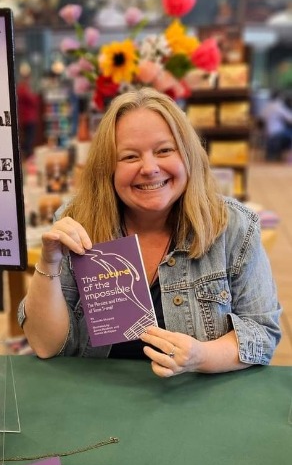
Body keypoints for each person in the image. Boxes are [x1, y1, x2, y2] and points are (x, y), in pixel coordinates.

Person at [18, 87, 281, 377]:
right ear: (107, 169)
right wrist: (49, 262)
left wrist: (201, 356)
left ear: (188, 155)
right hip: (96, 402)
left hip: (195, 402)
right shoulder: (78, 221)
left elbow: (262, 333)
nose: (150, 168)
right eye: (130, 157)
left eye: (164, 150)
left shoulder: (233, 226)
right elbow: (45, 345)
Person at [260, 89, 292, 161]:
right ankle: (289, 156)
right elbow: (290, 118)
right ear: (279, 98)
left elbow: (261, 120)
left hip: (267, 133)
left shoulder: (266, 107)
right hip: (277, 133)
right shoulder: (278, 106)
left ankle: (277, 154)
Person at [16, 67, 39, 160]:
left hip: (24, 117)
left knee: (27, 138)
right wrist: (35, 97)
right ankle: (28, 158)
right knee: (29, 139)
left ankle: (27, 157)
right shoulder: (23, 88)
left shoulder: (21, 88)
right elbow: (33, 100)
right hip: (28, 117)